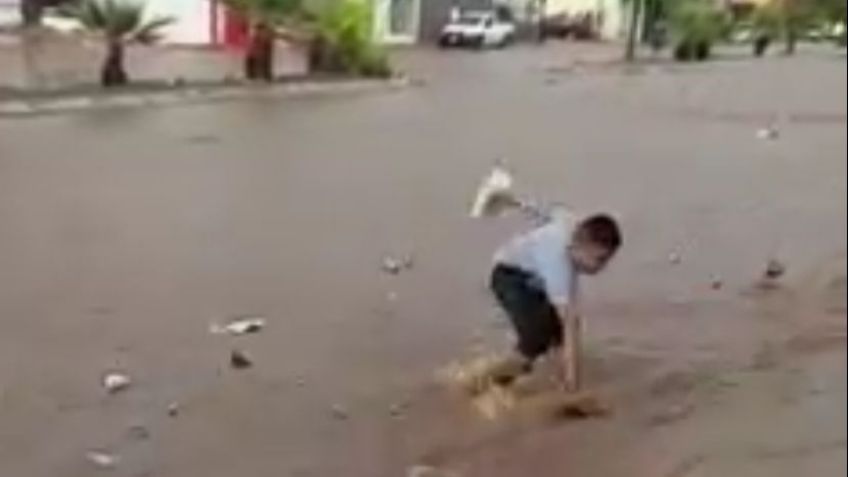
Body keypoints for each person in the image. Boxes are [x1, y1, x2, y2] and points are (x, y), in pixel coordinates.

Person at [487, 208, 622, 392]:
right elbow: (570, 323)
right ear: (580, 244)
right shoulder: (558, 265)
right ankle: (488, 383)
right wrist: (574, 390)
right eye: (599, 259)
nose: (601, 268)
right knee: (536, 339)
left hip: (532, 278)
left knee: (556, 332)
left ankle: (556, 378)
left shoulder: (571, 223)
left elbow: (544, 212)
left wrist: (510, 202)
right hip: (508, 276)